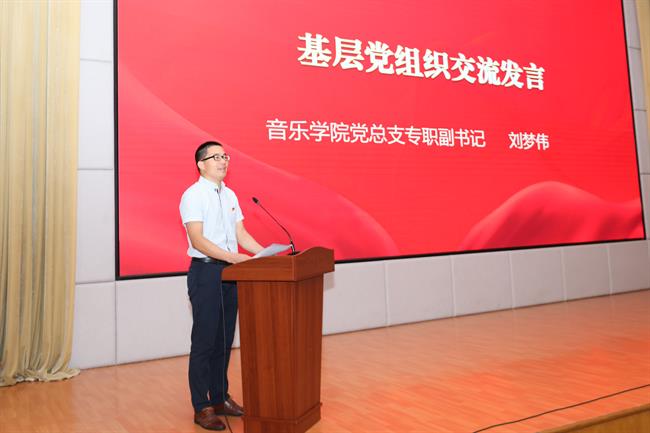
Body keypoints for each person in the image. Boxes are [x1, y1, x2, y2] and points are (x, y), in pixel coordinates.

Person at [179, 140, 264, 431]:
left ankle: (219, 397)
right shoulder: (193, 195)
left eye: (225, 156)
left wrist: (266, 255)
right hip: (206, 273)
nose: (223, 161)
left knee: (224, 340)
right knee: (204, 342)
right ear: (201, 164)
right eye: (216, 157)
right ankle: (201, 406)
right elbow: (198, 239)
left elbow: (241, 234)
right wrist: (232, 257)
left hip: (230, 272)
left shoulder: (230, 195)